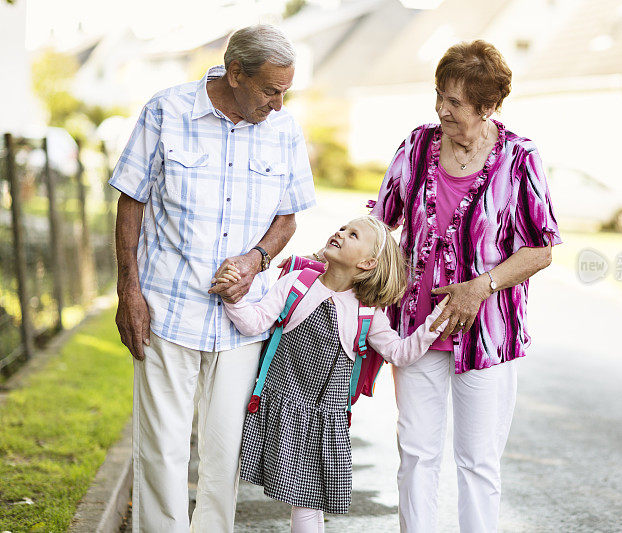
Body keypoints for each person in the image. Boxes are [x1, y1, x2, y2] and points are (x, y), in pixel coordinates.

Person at [109, 24, 316, 532]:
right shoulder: (166, 110)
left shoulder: (284, 129)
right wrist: (127, 289)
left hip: (241, 322)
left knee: (225, 458)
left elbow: (288, 216)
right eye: (271, 90)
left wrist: (256, 259)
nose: (280, 104)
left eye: (286, 91)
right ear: (236, 72)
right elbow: (130, 200)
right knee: (163, 450)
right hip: (166, 308)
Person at [368, 40, 563, 532]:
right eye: (439, 96)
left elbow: (541, 248)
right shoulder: (416, 146)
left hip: (487, 333)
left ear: (488, 107)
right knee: (416, 454)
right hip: (417, 329)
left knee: (477, 462)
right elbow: (380, 221)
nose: (441, 110)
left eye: (455, 102)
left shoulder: (519, 159)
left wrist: (481, 286)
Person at [213, 216, 452, 533]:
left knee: (307, 504)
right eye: (342, 228)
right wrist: (234, 297)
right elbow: (254, 322)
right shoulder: (296, 283)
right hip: (278, 402)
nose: (340, 233)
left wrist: (439, 319)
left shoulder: (366, 312)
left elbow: (400, 353)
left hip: (323, 417)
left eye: (352, 234)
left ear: (367, 263)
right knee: (228, 472)